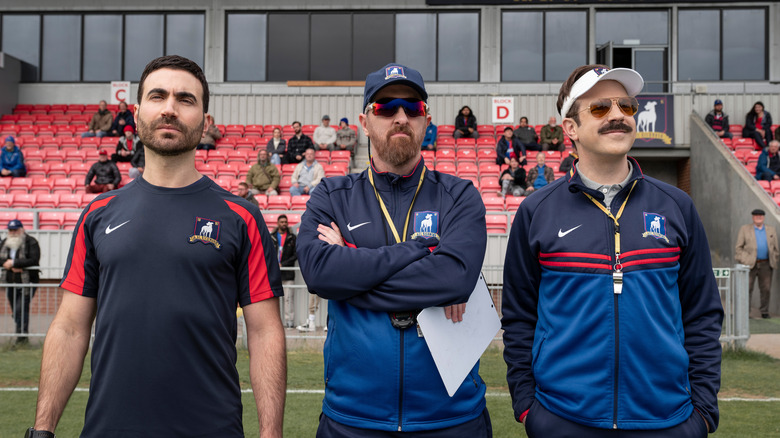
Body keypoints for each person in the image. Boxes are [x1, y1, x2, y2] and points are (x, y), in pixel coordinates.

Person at [30, 55, 285, 438]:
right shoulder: (97, 214)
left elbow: (265, 332)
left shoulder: (241, 217)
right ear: (137, 112)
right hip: (108, 429)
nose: (169, 108)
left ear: (204, 118)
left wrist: (271, 432)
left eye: (185, 99)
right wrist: (43, 429)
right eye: (158, 96)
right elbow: (69, 328)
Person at [502, 64, 723, 437]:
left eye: (627, 106)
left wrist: (701, 412)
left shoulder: (677, 205)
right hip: (563, 420)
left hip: (668, 420)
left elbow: (701, 314)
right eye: (601, 108)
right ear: (570, 128)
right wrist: (529, 408)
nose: (619, 115)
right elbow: (519, 318)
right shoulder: (536, 211)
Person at [296, 63, 490, 436]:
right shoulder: (331, 195)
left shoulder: (459, 194)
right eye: (385, 107)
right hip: (353, 420)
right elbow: (320, 274)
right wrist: (417, 251)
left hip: (451, 420)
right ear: (364, 122)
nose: (400, 117)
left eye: (412, 108)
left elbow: (453, 280)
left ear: (426, 120)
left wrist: (352, 275)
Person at [1, 219, 40, 346]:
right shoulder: (4, 242)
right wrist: (7, 265)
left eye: (15, 229)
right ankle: (21, 333)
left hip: (27, 282)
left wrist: (15, 263)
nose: (13, 232)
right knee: (15, 309)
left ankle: (22, 337)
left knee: (20, 308)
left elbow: (34, 259)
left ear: (21, 229)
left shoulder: (31, 242)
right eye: (10, 230)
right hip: (11, 281)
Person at [735, 208, 778, 319]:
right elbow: (738, 248)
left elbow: (776, 248)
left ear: (763, 217)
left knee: (766, 289)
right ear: (753, 217)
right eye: (756, 215)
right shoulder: (745, 229)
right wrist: (745, 260)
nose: (758, 217)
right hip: (749, 265)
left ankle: (764, 311)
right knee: (747, 288)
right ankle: (746, 313)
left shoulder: (771, 230)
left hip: (766, 264)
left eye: (761, 216)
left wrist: (774, 259)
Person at [270, 214, 298, 328]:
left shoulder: (292, 237)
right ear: (278, 223)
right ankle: (274, 322)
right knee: (274, 300)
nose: (284, 224)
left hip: (288, 273)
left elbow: (296, 254)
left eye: (285, 222)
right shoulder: (271, 236)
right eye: (282, 222)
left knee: (288, 299)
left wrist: (283, 264)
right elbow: (267, 253)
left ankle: (289, 322)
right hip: (274, 274)